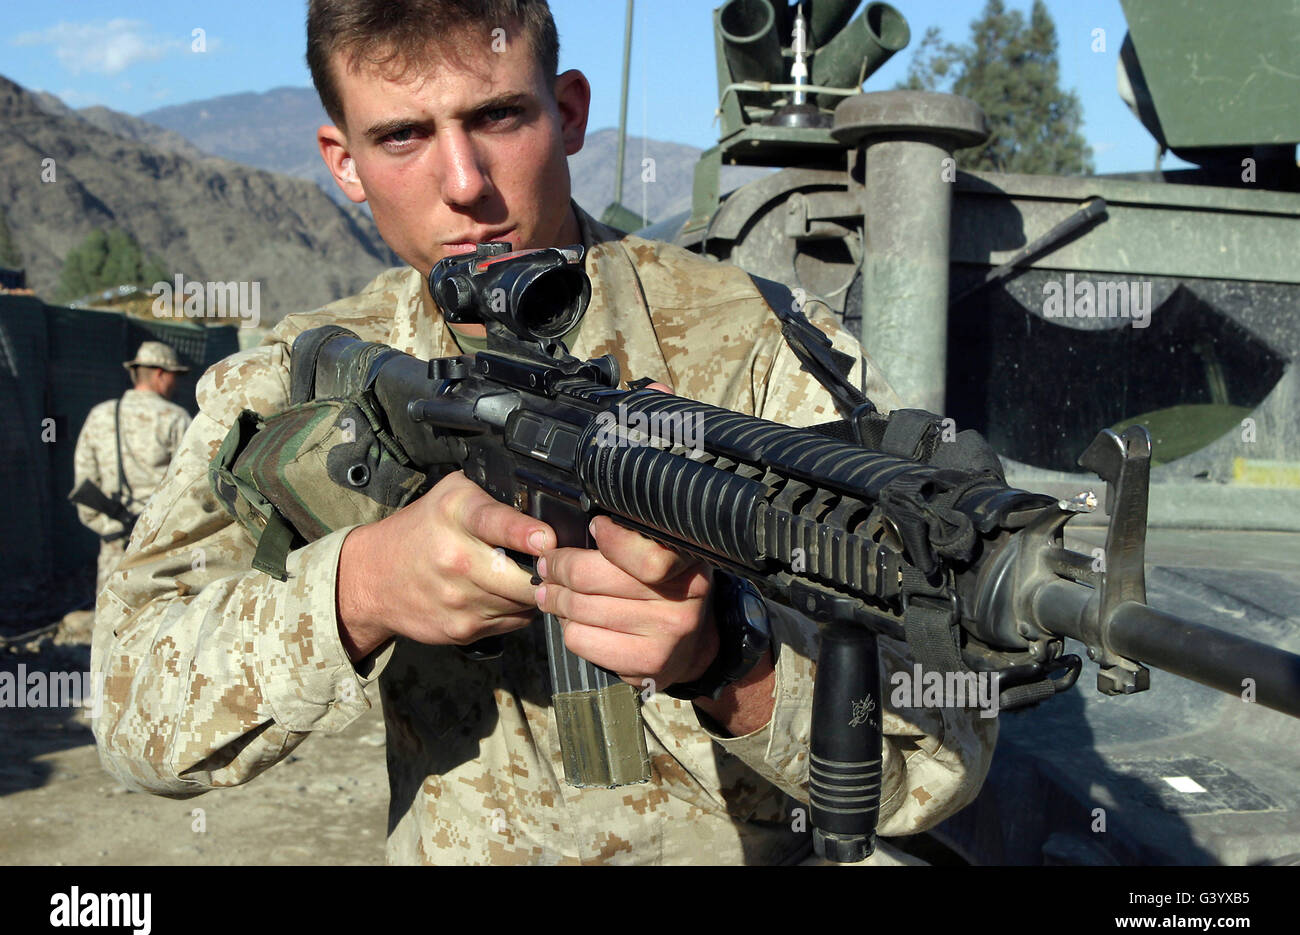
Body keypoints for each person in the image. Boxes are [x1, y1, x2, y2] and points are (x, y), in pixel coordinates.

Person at [90, 0, 997, 865]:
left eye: (497, 116)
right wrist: (358, 589)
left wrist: (734, 660)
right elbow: (131, 717)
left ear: (568, 112)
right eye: (402, 135)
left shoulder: (757, 341)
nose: (463, 185)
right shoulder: (290, 379)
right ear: (343, 161)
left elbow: (943, 749)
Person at [72, 340, 191, 594]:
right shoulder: (175, 418)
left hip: (114, 548)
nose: (176, 384)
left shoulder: (99, 415)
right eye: (174, 376)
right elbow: (192, 483)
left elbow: (84, 484)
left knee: (109, 624)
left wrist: (111, 529)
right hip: (161, 546)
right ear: (160, 374)